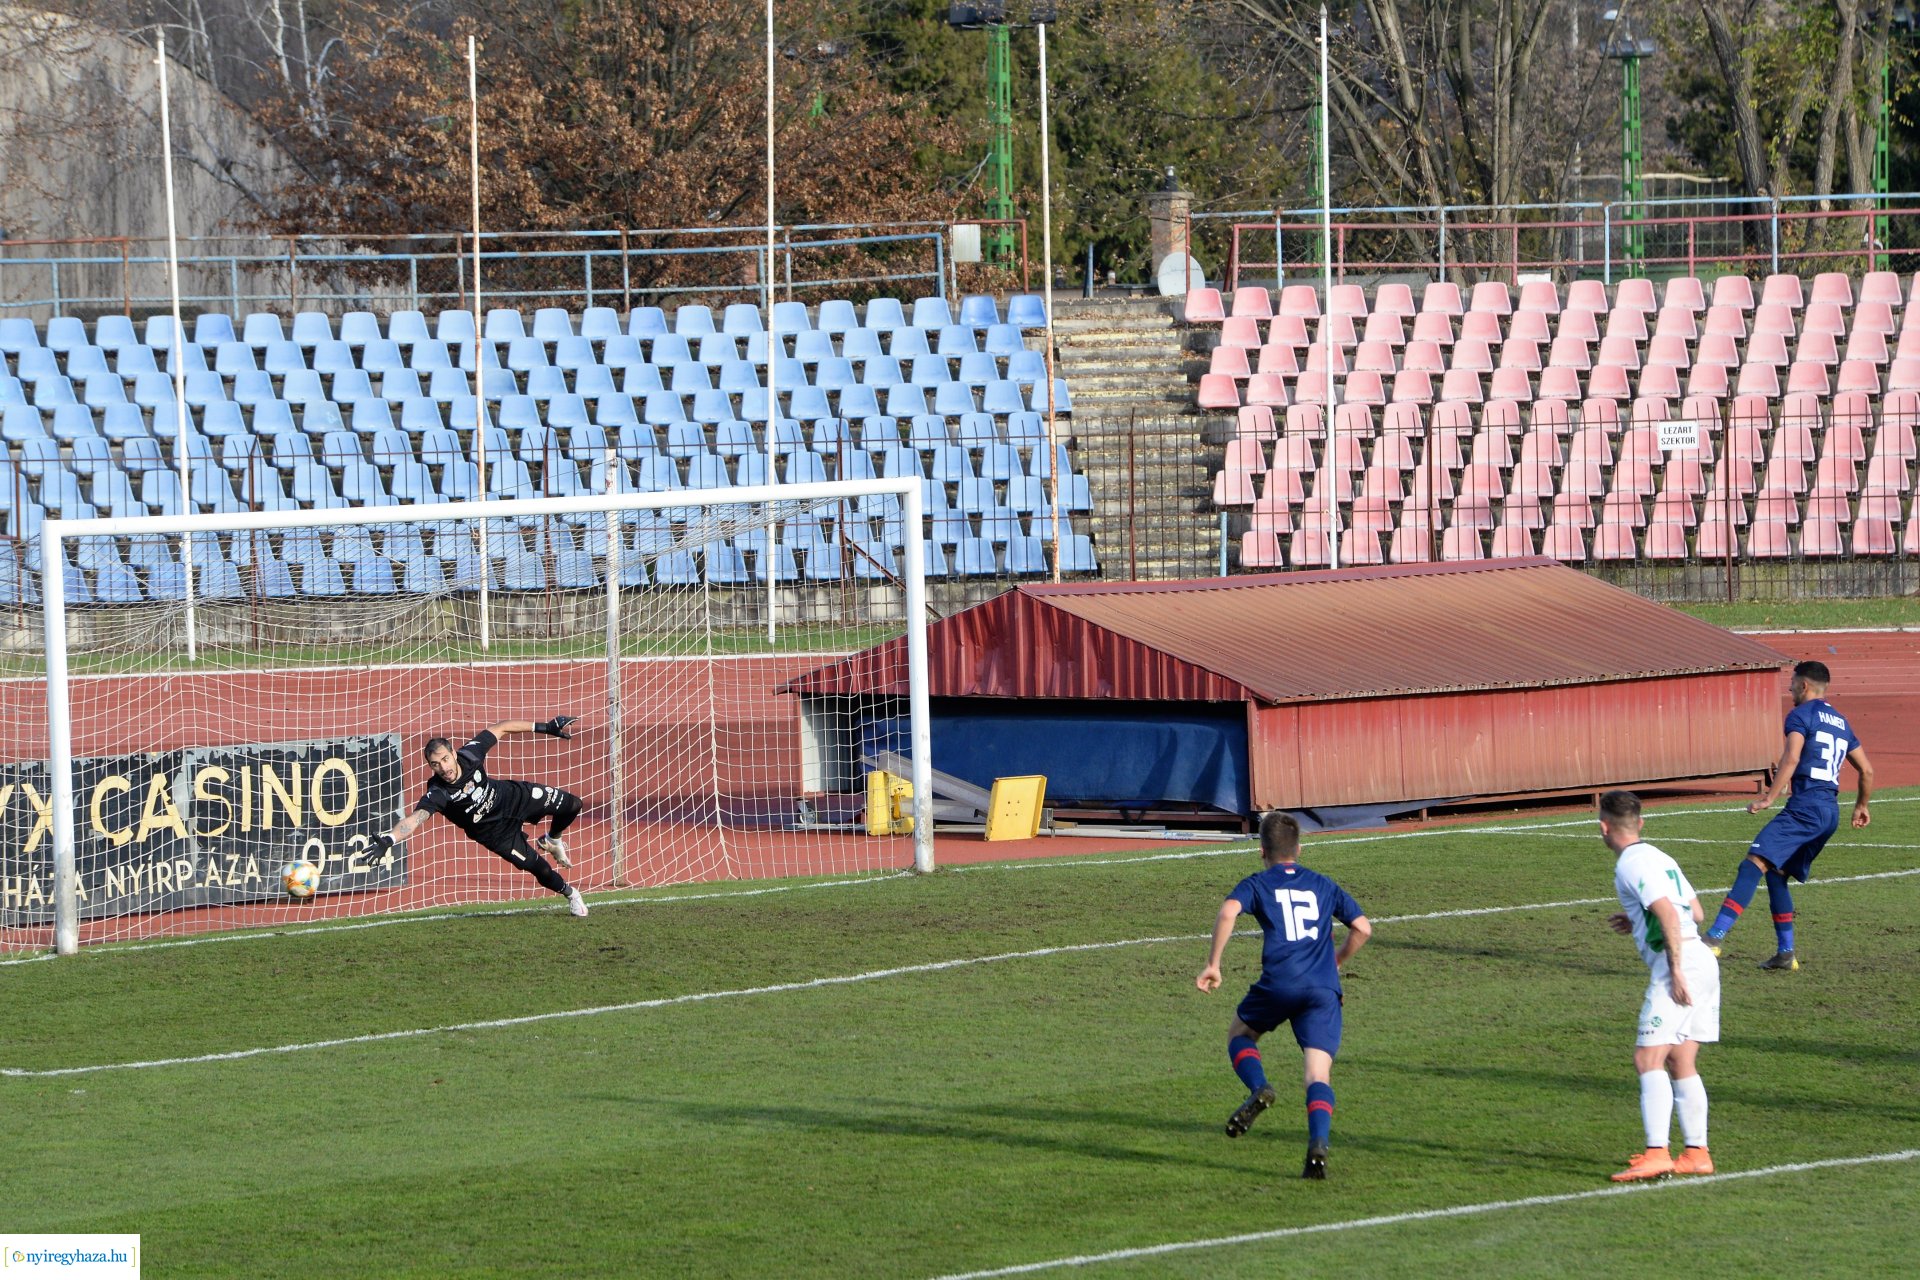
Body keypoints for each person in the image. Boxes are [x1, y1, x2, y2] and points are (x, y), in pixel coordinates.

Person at [1196, 811, 1371, 1180]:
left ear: (1262, 851)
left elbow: (1229, 911)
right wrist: (1337, 960)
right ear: (1299, 849)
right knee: (1317, 1074)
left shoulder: (1259, 883)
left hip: (1280, 983)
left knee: (1240, 1035)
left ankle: (1260, 1087)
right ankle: (1317, 1147)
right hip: (1323, 990)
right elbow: (1363, 928)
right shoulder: (1323, 884)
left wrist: (1214, 963)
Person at [1703, 660, 1873, 971]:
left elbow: (1792, 756)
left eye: (1793, 683)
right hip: (1829, 813)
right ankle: (1786, 953)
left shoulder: (1799, 715)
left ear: (1804, 686)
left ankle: (1713, 939)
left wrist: (1769, 797)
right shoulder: (1840, 721)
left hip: (1805, 809)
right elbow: (1867, 770)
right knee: (1777, 874)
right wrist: (1861, 805)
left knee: (1752, 863)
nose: (1790, 688)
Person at [1601, 789, 1719, 1182]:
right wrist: (1637, 920)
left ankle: (1656, 1153)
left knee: (1647, 1059)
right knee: (1681, 1060)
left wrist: (1676, 970)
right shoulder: (1661, 856)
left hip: (1681, 964)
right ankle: (1697, 1153)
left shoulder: (1629, 865)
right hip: (1702, 958)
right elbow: (1695, 911)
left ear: (1604, 828)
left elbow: (1667, 911)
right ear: (1641, 824)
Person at [375, 715, 590, 917]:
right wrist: (390, 839)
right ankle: (571, 894)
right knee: (539, 867)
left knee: (572, 805)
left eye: (445, 759)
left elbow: (501, 727)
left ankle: (552, 839)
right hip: (496, 834)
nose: (443, 768)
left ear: (454, 754)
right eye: (435, 764)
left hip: (512, 798)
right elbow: (415, 818)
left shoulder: (471, 754)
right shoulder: (438, 793)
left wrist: (546, 727)